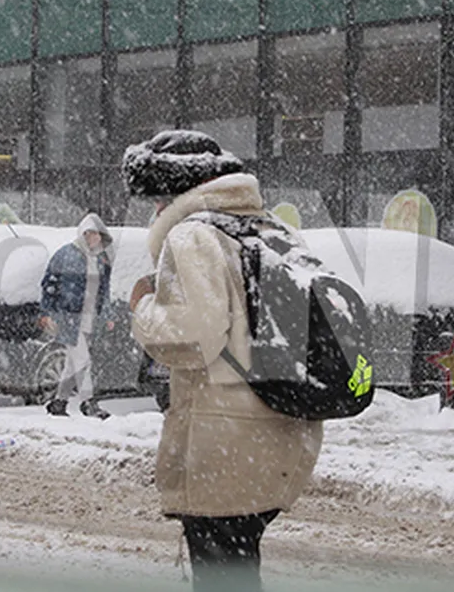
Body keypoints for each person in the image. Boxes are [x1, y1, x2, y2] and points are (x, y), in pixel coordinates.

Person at [124, 130, 323, 592]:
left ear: (175, 194)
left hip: (224, 442)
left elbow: (194, 337)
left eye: (157, 199)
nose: (155, 211)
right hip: (280, 427)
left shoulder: (194, 235)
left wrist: (143, 307)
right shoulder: (273, 230)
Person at [39, 212, 114, 419]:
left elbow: (104, 289)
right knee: (83, 360)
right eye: (93, 234)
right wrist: (47, 313)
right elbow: (49, 285)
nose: (96, 239)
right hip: (67, 317)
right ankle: (88, 402)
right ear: (85, 233)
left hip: (89, 318)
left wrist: (106, 314)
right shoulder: (65, 254)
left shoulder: (101, 259)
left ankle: (59, 402)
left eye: (99, 235)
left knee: (73, 364)